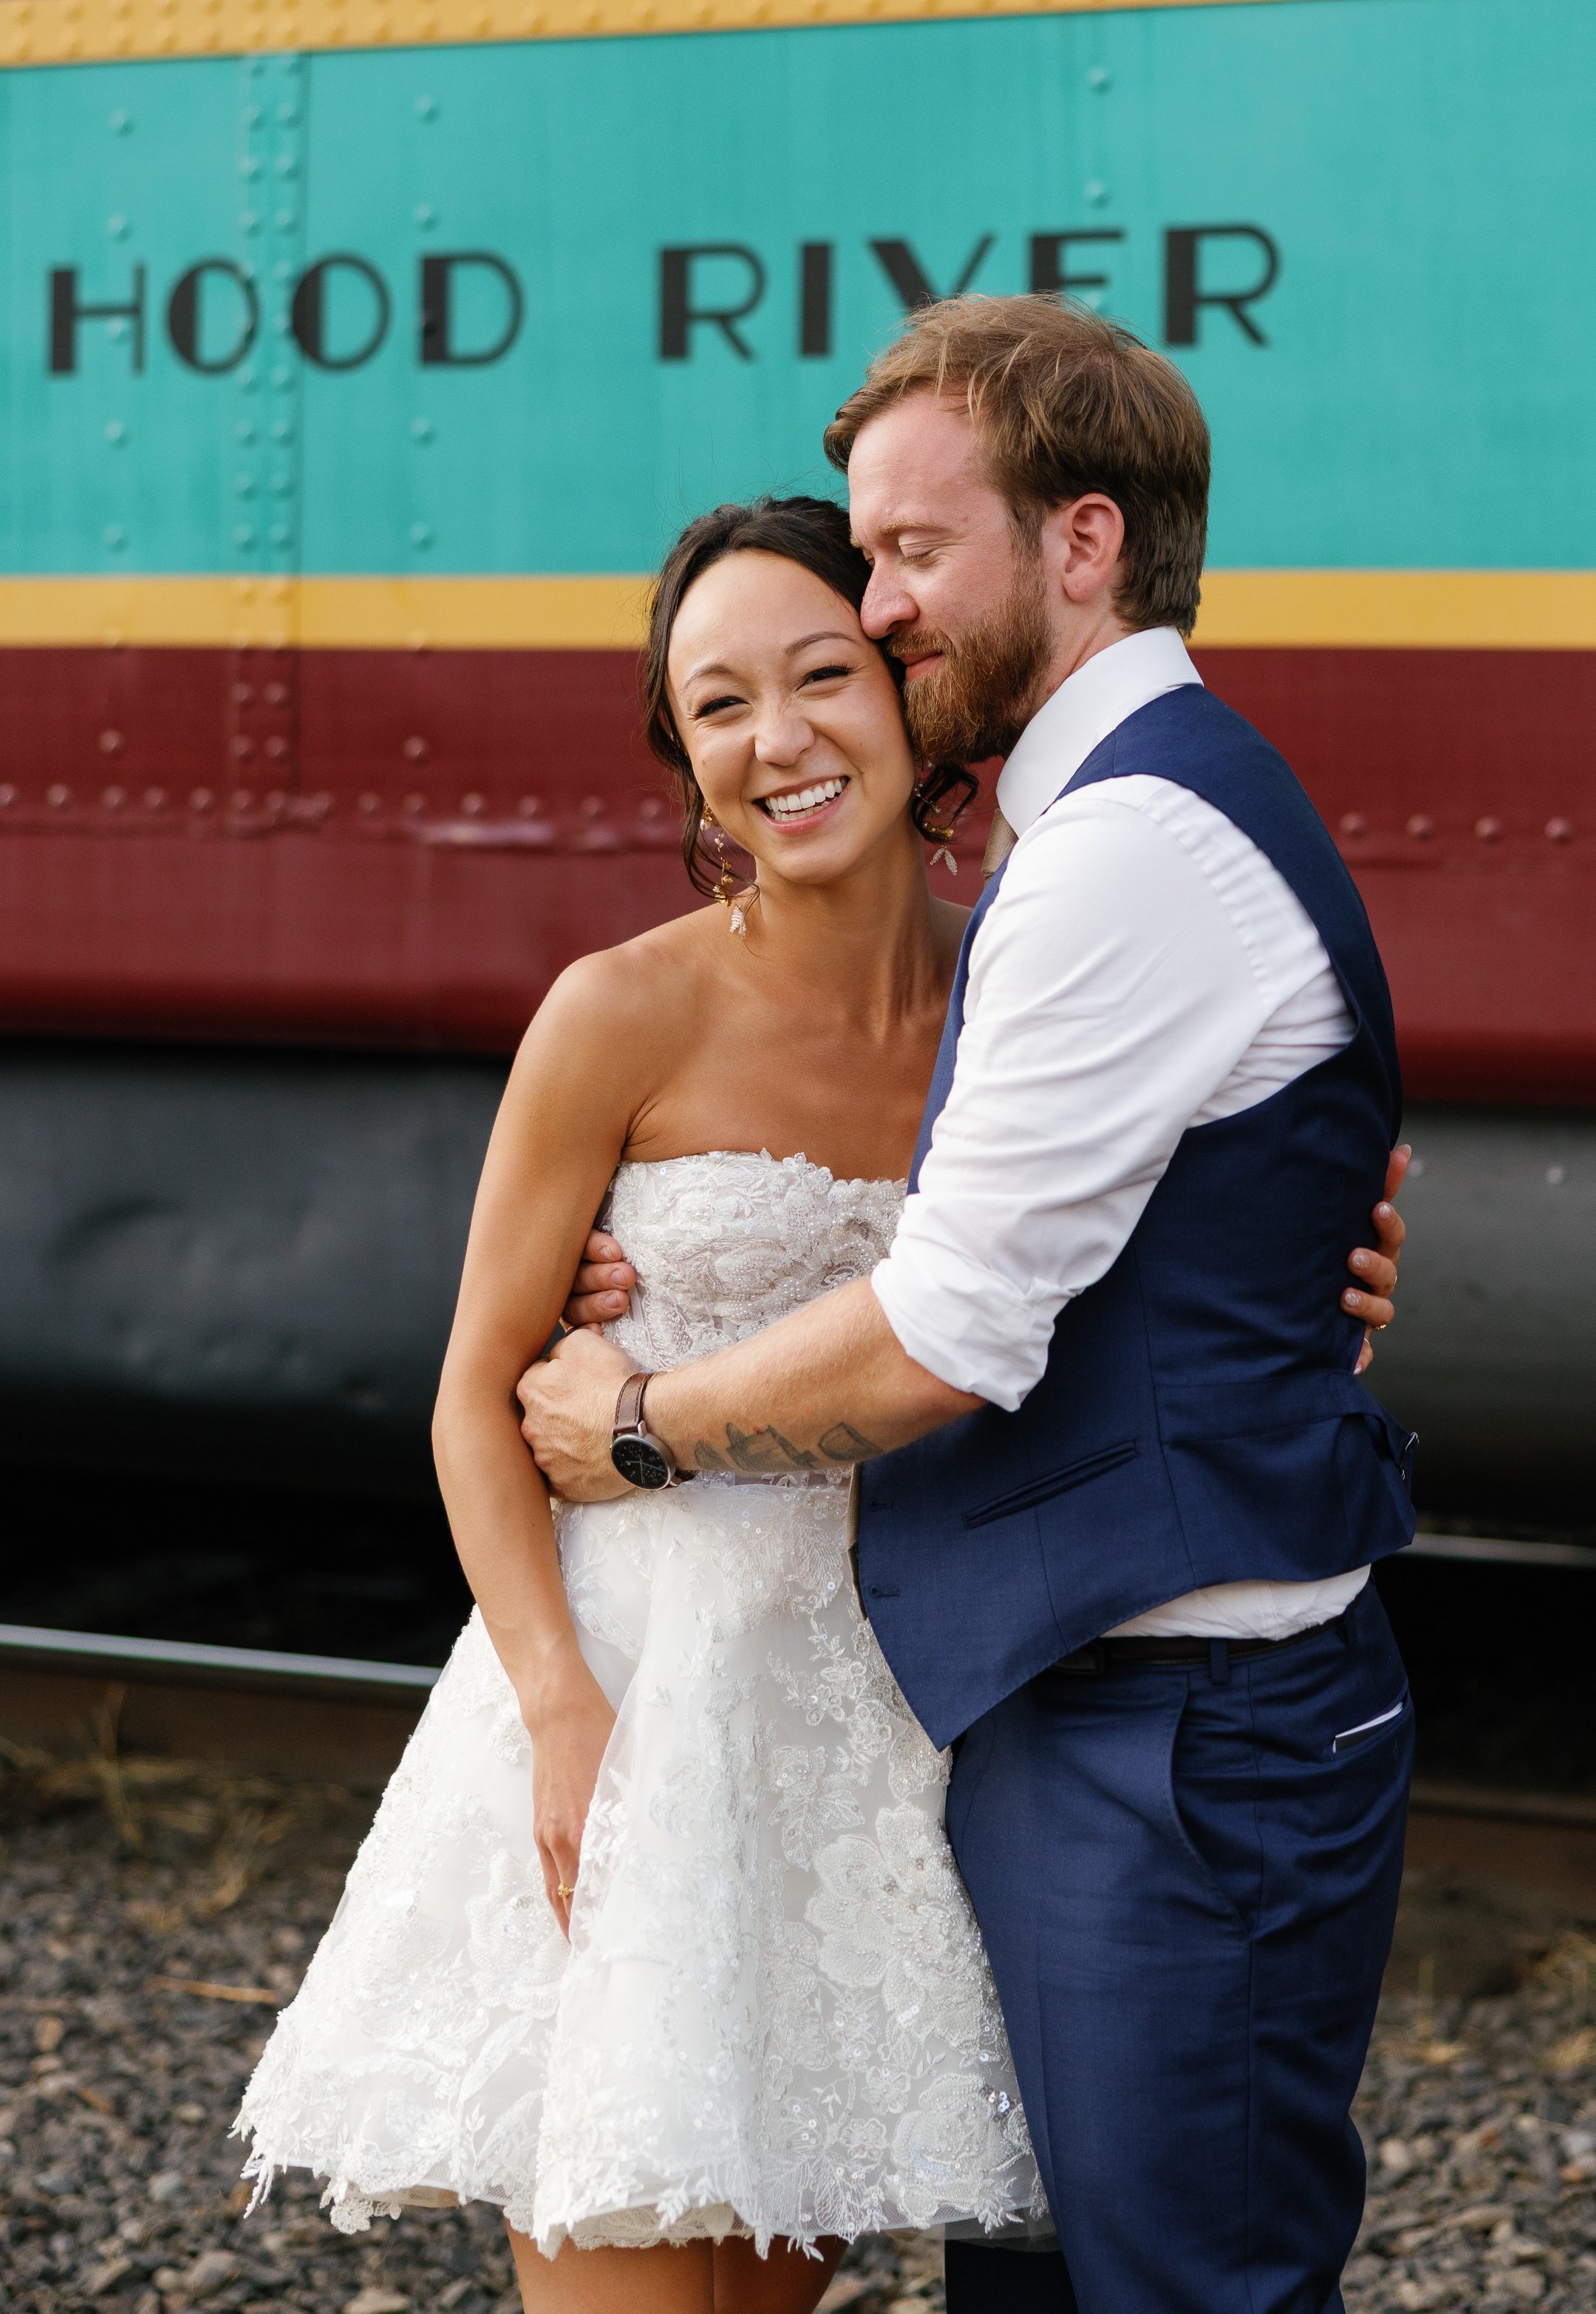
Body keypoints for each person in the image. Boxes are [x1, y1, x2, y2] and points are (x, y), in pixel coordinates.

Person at [233, 480, 1402, 2310]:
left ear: (909, 689)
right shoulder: (618, 1014)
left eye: (822, 674)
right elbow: (476, 1398)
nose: (777, 741)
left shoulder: (1026, 985)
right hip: (645, 1715)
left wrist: (1336, 1261)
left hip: (895, 1734)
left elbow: (1162, 1260)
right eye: (716, 706)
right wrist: (556, 1710)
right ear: (681, 754)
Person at [518, 296, 1417, 2314]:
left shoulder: (1120, 848)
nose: (885, 602)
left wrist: (646, 1413)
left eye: (913, 554)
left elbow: (946, 1329)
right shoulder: (1095, 826)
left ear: (1082, 545)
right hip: (1051, 1707)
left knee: (1174, 2287)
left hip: (1176, 1733)